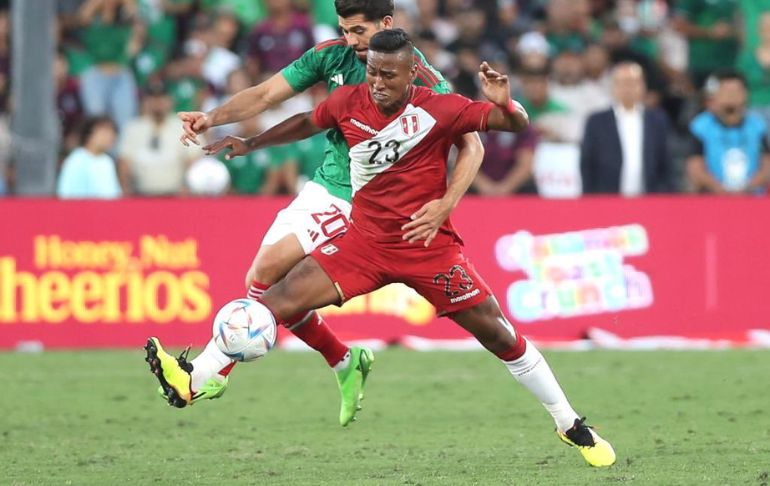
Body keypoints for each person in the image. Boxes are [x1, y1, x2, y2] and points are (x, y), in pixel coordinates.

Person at [188, 29, 615, 468]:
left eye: (389, 75)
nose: (378, 83)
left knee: (498, 333)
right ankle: (194, 380)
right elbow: (307, 122)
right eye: (372, 72)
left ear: (412, 72)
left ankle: (569, 424)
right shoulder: (347, 102)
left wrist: (505, 101)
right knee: (269, 301)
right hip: (363, 245)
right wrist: (251, 143)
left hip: (426, 248)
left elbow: (512, 124)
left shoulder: (442, 108)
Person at [145, 0, 485, 429]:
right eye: (344, 29)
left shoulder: (419, 76)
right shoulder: (331, 55)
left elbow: (472, 143)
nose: (350, 40)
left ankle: (206, 376)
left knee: (269, 274)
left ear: (385, 24)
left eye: (358, 31)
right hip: (325, 184)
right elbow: (269, 94)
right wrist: (211, 118)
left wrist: (447, 201)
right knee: (260, 280)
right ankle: (344, 360)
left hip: (364, 200)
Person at [581, 62, 673, 195]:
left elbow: (665, 163)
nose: (628, 88)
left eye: (633, 82)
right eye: (623, 82)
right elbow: (587, 164)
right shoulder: (596, 122)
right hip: (607, 200)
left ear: (643, 86)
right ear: (613, 86)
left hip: (649, 200)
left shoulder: (657, 121)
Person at [686, 70, 770, 194]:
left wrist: (747, 188)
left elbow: (767, 166)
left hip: (752, 199)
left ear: (745, 94)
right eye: (725, 91)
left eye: (735, 91)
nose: (731, 96)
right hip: (713, 200)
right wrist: (720, 189)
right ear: (713, 96)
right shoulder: (701, 127)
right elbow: (694, 168)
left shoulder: (757, 125)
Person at [118, 82, 201, 196]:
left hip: (176, 195)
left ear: (170, 101)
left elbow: (194, 161)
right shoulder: (134, 127)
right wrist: (126, 191)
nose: (157, 103)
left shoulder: (183, 127)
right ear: (145, 102)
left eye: (162, 99)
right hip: (140, 195)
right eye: (153, 99)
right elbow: (124, 163)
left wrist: (188, 187)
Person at [57, 116, 122, 199]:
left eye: (112, 133)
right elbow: (66, 194)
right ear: (89, 134)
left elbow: (114, 194)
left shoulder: (107, 161)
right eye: (104, 132)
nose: (110, 137)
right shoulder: (76, 160)